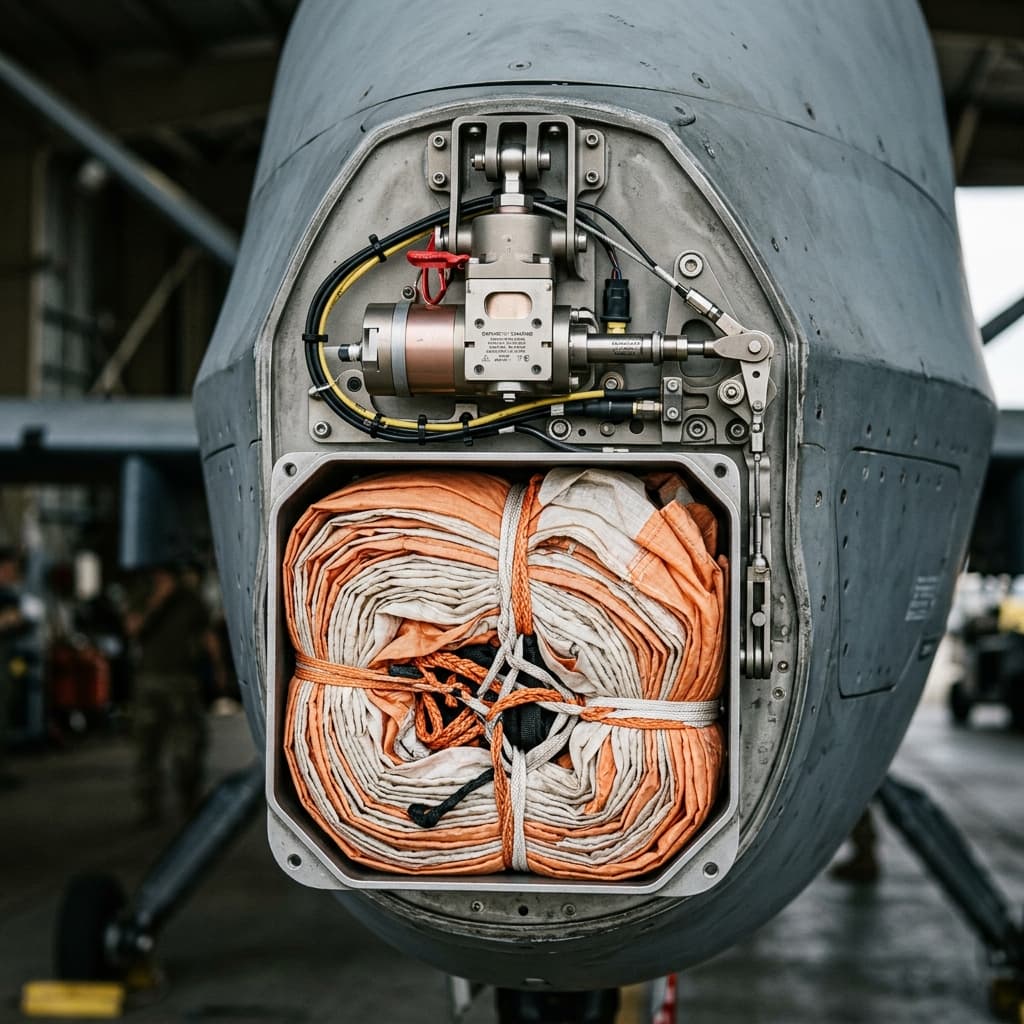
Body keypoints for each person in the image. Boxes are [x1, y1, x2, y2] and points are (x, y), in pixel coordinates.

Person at [125, 563, 225, 824]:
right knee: (147, 746)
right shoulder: (143, 594)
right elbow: (134, 629)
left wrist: (219, 669)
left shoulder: (191, 598)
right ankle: (148, 806)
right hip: (150, 679)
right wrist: (159, 600)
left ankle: (190, 802)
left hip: (183, 679)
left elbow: (207, 635)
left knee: (189, 744)